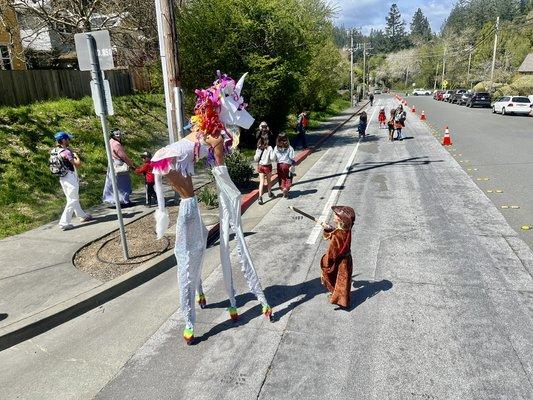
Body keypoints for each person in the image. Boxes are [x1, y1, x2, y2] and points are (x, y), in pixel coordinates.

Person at [151, 72, 273, 345]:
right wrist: (229, 188)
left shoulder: (210, 134)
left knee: (199, 237)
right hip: (172, 169)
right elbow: (221, 176)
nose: (240, 111)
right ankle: (189, 320)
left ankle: (199, 294)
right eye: (234, 103)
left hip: (171, 166)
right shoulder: (214, 139)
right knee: (191, 248)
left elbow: (214, 171)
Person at [52, 132, 93, 230]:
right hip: (70, 177)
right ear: (63, 140)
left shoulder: (54, 150)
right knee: (72, 199)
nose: (69, 141)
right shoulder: (66, 152)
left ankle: (82, 215)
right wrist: (76, 155)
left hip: (62, 177)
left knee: (73, 197)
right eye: (68, 139)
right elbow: (77, 164)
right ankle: (64, 223)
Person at [320, 206, 355, 309]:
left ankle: (343, 302)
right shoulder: (346, 228)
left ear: (341, 219)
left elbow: (332, 252)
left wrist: (326, 263)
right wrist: (329, 229)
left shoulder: (338, 235)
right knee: (344, 282)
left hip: (340, 262)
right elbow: (337, 232)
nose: (333, 216)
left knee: (339, 281)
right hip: (347, 259)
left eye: (336, 215)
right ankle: (342, 299)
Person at [102, 129, 136, 206]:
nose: (119, 135)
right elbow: (123, 156)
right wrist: (131, 164)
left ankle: (109, 199)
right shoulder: (116, 144)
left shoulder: (110, 141)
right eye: (116, 134)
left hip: (111, 163)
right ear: (113, 135)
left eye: (119, 134)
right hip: (119, 164)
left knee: (111, 182)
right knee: (123, 183)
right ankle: (123, 200)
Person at [272, 133, 295, 198]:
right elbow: (292, 157)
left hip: (279, 165)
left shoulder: (276, 147)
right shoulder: (289, 147)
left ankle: (283, 188)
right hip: (287, 165)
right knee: (288, 177)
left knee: (281, 177)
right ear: (286, 139)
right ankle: (286, 188)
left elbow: (273, 157)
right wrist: (293, 163)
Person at [254, 133, 274, 205]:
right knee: (269, 180)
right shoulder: (270, 148)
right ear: (267, 140)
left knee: (261, 182)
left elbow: (255, 158)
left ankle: (260, 197)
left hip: (260, 166)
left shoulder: (259, 148)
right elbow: (272, 158)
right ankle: (269, 192)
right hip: (267, 166)